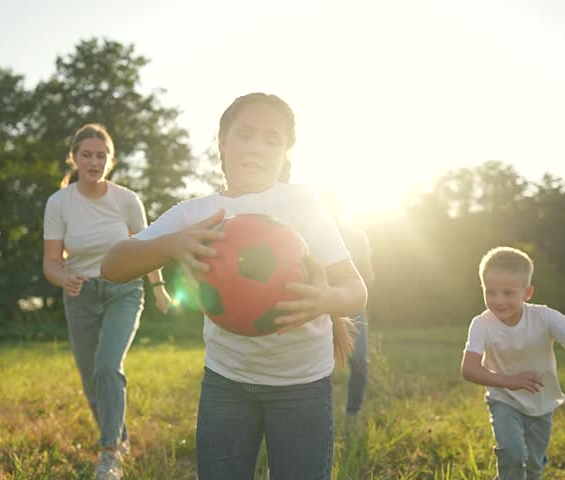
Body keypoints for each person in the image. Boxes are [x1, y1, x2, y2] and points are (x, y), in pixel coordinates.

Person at [101, 93, 367, 480]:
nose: (257, 148)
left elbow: (356, 289)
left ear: (285, 153)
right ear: (222, 143)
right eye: (245, 134)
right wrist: (172, 245)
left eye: (272, 139)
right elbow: (113, 265)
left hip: (302, 386)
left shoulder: (301, 205)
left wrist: (328, 299)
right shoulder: (194, 214)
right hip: (226, 383)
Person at [42, 123, 170, 480]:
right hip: (79, 293)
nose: (94, 161)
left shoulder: (127, 200)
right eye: (87, 155)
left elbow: (145, 248)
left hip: (123, 290)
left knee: (107, 366)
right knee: (90, 377)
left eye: (101, 155)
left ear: (110, 161)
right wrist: (62, 276)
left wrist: (158, 287)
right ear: (74, 157)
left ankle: (110, 452)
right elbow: (51, 261)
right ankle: (120, 435)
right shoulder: (59, 202)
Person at [461, 246, 565, 480]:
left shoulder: (544, 316)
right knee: (512, 454)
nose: (498, 300)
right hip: (503, 399)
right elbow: (469, 369)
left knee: (533, 464)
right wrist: (509, 382)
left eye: (508, 293)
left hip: (541, 401)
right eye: (490, 292)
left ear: (528, 292)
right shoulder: (482, 323)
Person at [321, 192, 375, 419]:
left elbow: (367, 273)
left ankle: (353, 412)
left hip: (352, 307)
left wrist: (354, 296)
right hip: (319, 308)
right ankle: (321, 413)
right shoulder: (309, 235)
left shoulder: (356, 237)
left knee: (359, 361)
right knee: (317, 363)